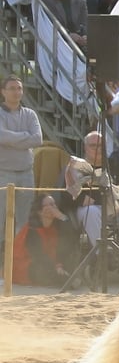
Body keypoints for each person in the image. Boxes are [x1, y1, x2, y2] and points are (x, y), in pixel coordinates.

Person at [64, 130, 119, 258]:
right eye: (93, 145)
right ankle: (100, 256)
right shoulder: (76, 166)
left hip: (114, 207)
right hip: (88, 210)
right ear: (85, 147)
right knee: (92, 212)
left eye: (101, 145)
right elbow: (65, 194)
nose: (97, 149)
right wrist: (81, 200)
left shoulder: (114, 165)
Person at [0, 75, 42, 260]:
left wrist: (12, 139)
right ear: (3, 91)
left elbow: (37, 139)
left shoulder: (30, 114)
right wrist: (24, 137)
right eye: (12, 88)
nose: (16, 92)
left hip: (26, 173)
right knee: (1, 220)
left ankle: (17, 262)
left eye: (19, 88)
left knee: (23, 221)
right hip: (3, 173)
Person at [10, 194, 78, 286]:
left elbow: (70, 237)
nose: (54, 208)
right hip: (27, 265)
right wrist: (57, 267)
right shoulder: (32, 229)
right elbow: (39, 256)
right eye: (50, 205)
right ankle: (65, 280)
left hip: (52, 264)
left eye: (54, 204)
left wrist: (62, 217)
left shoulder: (56, 226)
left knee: (71, 259)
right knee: (40, 270)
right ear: (39, 211)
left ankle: (66, 279)